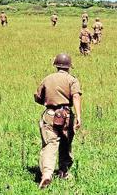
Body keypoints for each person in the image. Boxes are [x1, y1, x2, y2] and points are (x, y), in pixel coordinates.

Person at [33, 53, 82, 189]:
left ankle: (47, 174)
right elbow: (76, 97)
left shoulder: (47, 79)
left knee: (49, 144)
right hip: (66, 115)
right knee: (66, 144)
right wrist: (78, 116)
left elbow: (38, 97)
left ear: (56, 65)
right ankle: (64, 172)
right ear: (69, 66)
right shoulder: (72, 80)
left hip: (49, 114)